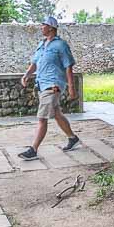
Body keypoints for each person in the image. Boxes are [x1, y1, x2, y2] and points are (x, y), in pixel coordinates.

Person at [18, 15, 80, 159]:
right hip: (42, 84)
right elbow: (34, 63)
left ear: (51, 28)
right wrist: (26, 75)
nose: (41, 27)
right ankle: (72, 138)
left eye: (43, 25)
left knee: (42, 118)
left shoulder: (61, 45)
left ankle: (33, 150)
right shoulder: (41, 44)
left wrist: (71, 87)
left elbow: (68, 67)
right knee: (57, 114)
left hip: (54, 85)